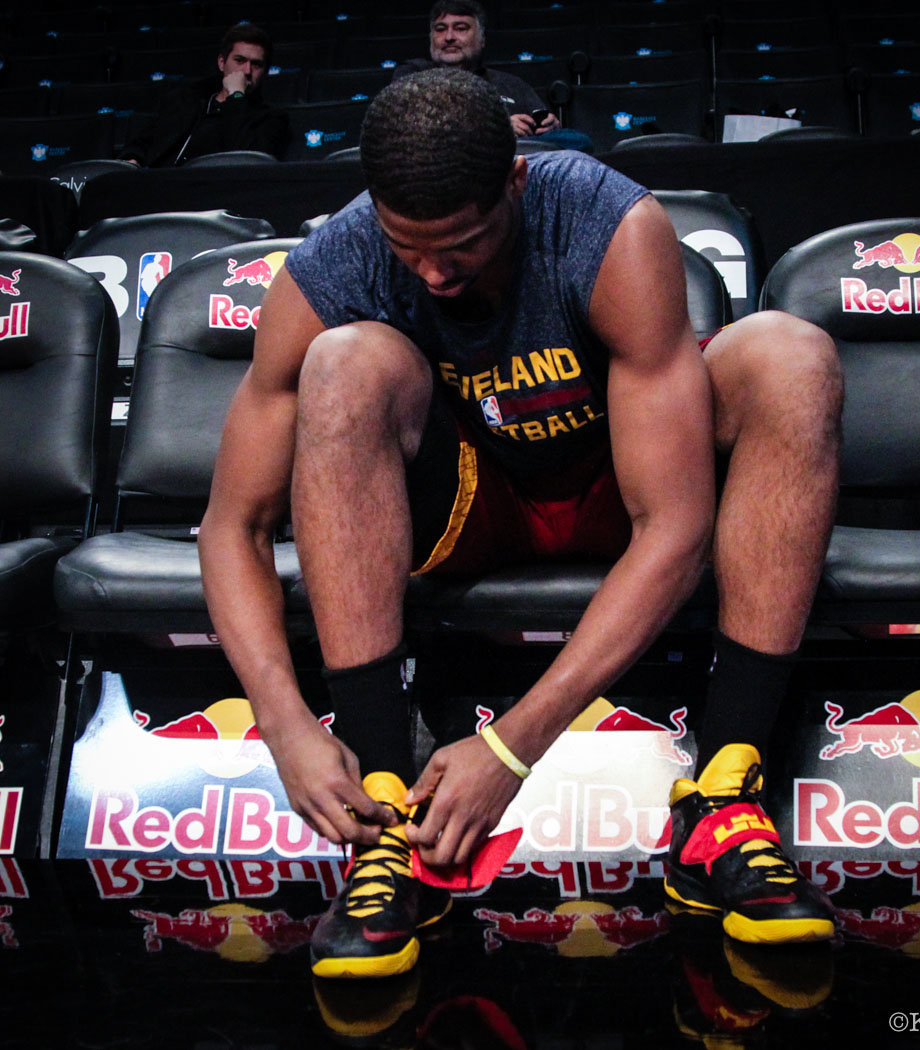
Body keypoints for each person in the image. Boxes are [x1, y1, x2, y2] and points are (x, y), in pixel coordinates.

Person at [198, 68, 843, 980]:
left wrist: (513, 743)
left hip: (624, 489)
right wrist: (284, 719)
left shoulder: (605, 223)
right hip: (469, 505)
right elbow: (231, 525)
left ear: (515, 181)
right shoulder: (334, 263)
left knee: (790, 354)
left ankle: (724, 795)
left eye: (459, 245)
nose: (431, 272)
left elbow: (675, 525)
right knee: (343, 362)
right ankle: (386, 822)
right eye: (406, 246)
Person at [393, 0, 581, 146]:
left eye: (460, 28)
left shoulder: (511, 83)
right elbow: (412, 126)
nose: (449, 37)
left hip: (519, 162)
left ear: (482, 39)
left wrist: (549, 125)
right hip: (446, 164)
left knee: (575, 139)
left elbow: (544, 131)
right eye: (440, 29)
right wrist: (495, 128)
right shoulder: (413, 74)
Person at [120, 23, 290, 167]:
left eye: (256, 64)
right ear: (222, 62)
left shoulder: (271, 119)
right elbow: (141, 143)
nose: (247, 71)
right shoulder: (186, 101)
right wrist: (132, 160)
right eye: (239, 60)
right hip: (162, 186)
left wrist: (236, 96)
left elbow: (246, 162)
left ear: (265, 72)